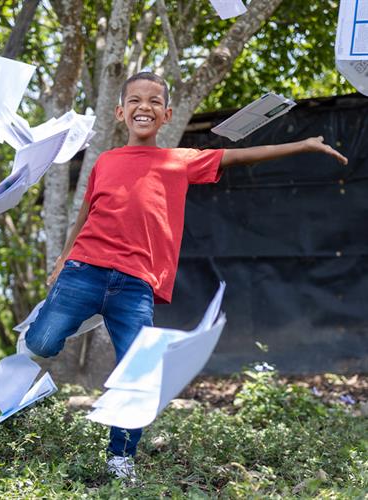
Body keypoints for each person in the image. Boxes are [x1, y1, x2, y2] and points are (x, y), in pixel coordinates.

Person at [25, 72, 348, 480]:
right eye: (136, 101)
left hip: (135, 285)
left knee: (140, 374)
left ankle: (120, 456)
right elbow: (86, 212)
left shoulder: (178, 161)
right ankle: (56, 324)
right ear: (120, 111)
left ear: (167, 114)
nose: (146, 107)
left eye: (155, 101)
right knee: (41, 341)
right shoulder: (105, 161)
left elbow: (241, 156)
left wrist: (302, 144)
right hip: (84, 269)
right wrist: (61, 261)